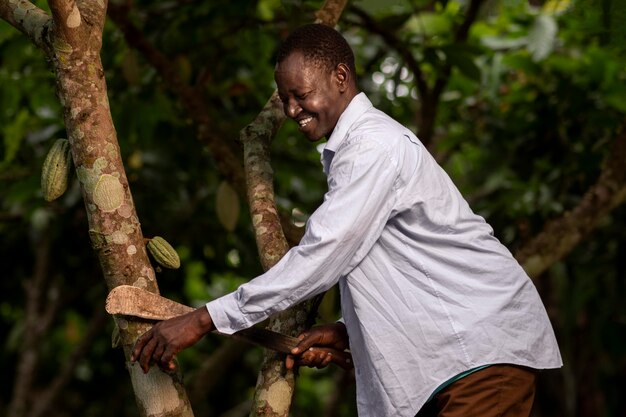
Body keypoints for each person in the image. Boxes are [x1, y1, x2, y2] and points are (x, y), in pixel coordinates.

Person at [131, 23, 562, 417]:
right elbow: (389, 264)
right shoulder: (354, 153)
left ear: (340, 77)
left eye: (301, 94)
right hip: (460, 360)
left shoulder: (372, 147)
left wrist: (204, 318)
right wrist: (347, 331)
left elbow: (324, 254)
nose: (293, 108)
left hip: (478, 352)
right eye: (284, 99)